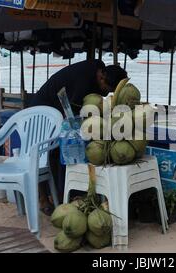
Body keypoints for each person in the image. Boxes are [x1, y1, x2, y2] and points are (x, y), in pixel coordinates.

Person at [31, 59, 128, 215]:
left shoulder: (94, 70)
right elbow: (74, 114)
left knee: (57, 154)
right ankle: (45, 198)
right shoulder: (83, 80)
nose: (106, 93)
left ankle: (61, 197)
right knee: (46, 154)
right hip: (43, 109)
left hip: (58, 111)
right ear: (102, 77)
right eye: (107, 89)